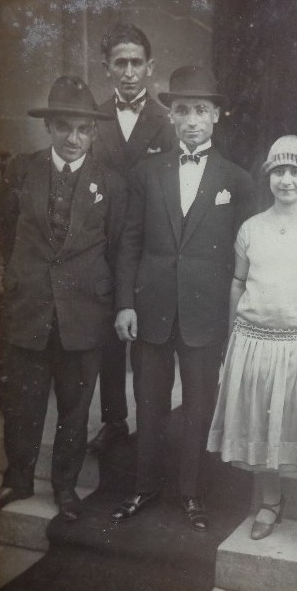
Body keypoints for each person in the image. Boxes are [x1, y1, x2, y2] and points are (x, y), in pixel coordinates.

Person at [111, 66, 254, 531]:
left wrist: (237, 315)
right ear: (171, 116)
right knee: (148, 401)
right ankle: (144, 486)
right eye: (183, 110)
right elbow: (130, 240)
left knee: (199, 405)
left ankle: (193, 493)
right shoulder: (146, 172)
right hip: (150, 308)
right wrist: (125, 304)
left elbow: (243, 254)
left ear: (216, 115)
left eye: (200, 110)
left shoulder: (236, 179)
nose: (192, 120)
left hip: (205, 313)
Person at [207, 135, 297, 567]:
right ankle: (270, 502)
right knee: (262, 425)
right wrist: (232, 341)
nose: (287, 180)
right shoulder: (251, 227)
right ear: (268, 176)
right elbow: (237, 284)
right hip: (253, 342)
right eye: (279, 172)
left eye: (296, 171)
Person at [0, 75, 126, 522]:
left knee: (75, 405)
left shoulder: (110, 183)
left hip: (84, 312)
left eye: (83, 130)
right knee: (22, 400)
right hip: (28, 306)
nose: (74, 138)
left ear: (94, 132)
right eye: (65, 128)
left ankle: (66, 487)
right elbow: (6, 232)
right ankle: (18, 478)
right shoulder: (20, 171)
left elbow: (114, 248)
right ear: (49, 128)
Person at [90, 23, 178, 454]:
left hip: (152, 248)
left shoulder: (168, 121)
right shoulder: (94, 119)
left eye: (136, 63)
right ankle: (113, 420)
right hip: (105, 247)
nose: (129, 72)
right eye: (120, 63)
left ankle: (151, 427)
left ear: (150, 67)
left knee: (148, 342)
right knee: (110, 338)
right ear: (107, 68)